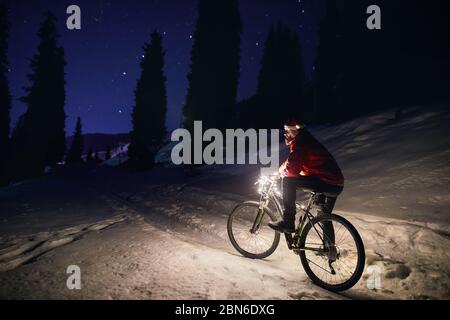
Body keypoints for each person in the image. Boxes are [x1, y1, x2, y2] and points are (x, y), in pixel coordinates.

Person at [268, 119, 344, 240]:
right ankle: (330, 249)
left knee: (288, 181)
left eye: (287, 131)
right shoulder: (304, 140)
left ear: (296, 131)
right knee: (324, 215)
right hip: (336, 183)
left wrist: (282, 175)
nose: (285, 134)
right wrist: (278, 171)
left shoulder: (301, 143)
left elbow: (292, 170)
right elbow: (291, 161)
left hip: (325, 181)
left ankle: (288, 222)